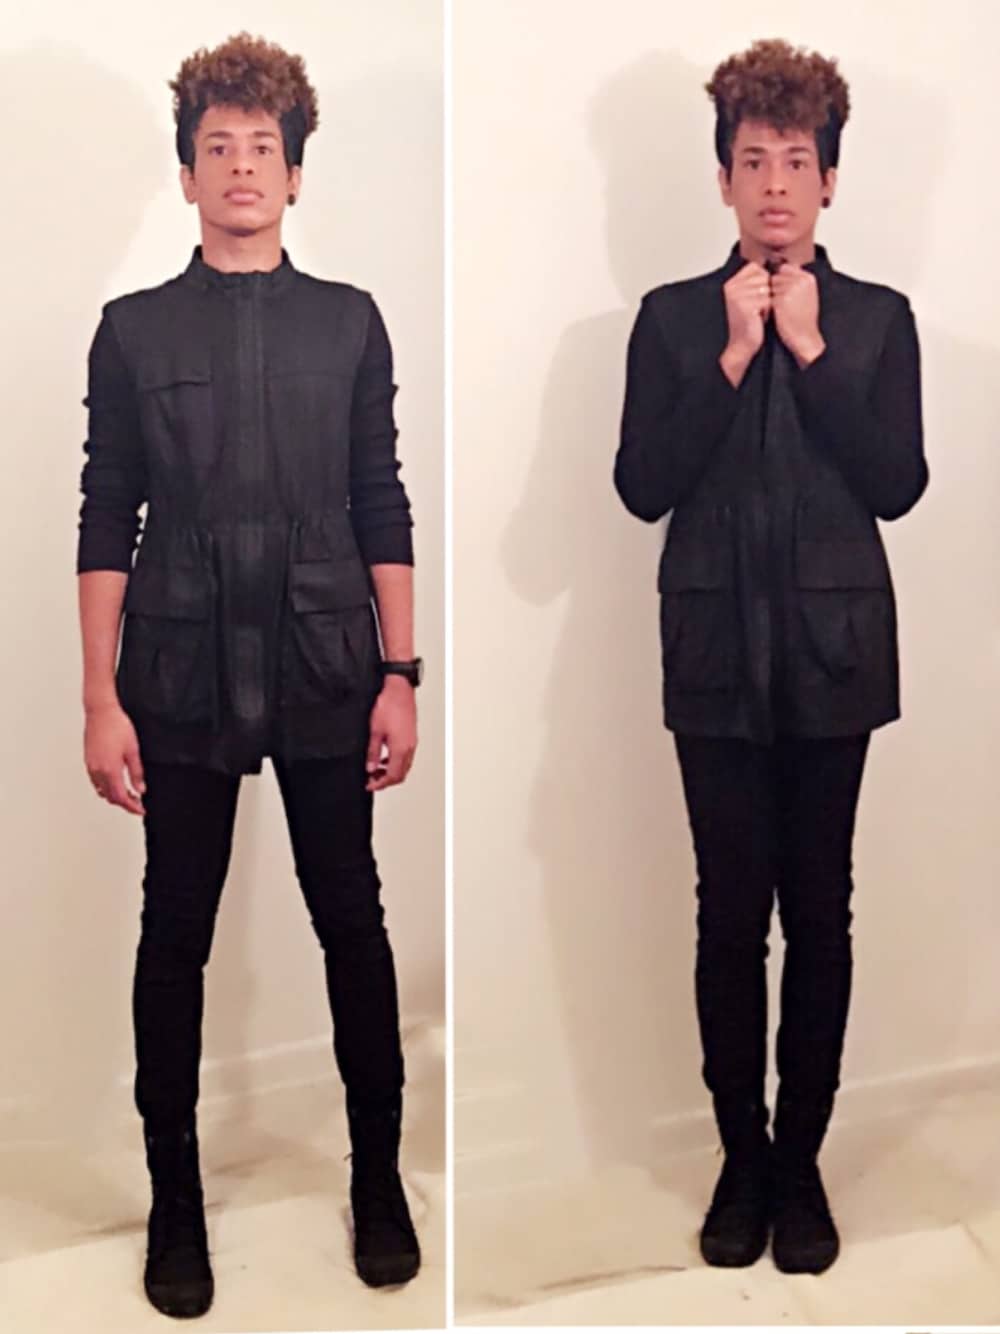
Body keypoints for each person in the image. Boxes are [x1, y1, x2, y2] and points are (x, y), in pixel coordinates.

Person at [77, 32, 425, 1318]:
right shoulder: (131, 331)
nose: (239, 166)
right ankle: (174, 1195)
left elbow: (380, 495)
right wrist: (99, 696)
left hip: (328, 656)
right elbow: (105, 513)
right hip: (176, 666)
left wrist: (402, 669)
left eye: (261, 147)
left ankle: (377, 1176)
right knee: (174, 930)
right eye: (215, 146)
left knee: (352, 919)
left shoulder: (349, 322)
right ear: (185, 176)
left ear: (294, 174)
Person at [614, 38, 927, 1275]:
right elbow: (642, 483)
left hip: (834, 655)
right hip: (711, 657)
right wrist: (734, 353)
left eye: (797, 161)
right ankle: (739, 1158)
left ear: (829, 179)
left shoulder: (877, 319)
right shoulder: (670, 320)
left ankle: (801, 1163)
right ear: (723, 179)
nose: (776, 185)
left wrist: (809, 350)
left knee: (822, 910)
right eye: (753, 162)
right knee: (727, 913)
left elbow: (896, 481)